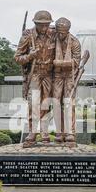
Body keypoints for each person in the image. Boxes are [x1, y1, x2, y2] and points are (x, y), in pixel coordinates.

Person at [14, 10, 56, 147]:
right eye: (41, 25)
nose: (44, 28)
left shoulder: (53, 35)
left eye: (47, 24)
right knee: (34, 103)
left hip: (49, 74)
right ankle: (32, 132)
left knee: (46, 104)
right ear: (36, 23)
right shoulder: (28, 36)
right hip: (35, 73)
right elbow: (17, 58)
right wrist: (30, 56)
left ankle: (44, 132)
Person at [52, 17, 81, 145]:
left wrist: (61, 63)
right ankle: (59, 132)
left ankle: (70, 132)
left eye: (63, 32)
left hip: (70, 75)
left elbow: (77, 61)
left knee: (69, 103)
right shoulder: (53, 38)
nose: (60, 34)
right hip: (57, 75)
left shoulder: (74, 42)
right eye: (58, 31)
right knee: (56, 102)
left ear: (68, 31)